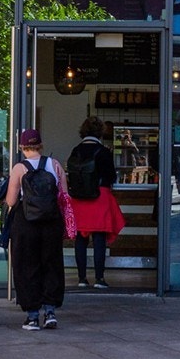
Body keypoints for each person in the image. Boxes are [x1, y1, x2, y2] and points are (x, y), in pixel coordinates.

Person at [4, 128, 66, 330]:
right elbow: (64, 196)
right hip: (51, 222)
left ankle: (32, 316)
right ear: (40, 145)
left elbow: (12, 200)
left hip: (26, 223)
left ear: (22, 147)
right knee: (51, 264)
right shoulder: (55, 165)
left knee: (27, 266)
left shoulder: (19, 169)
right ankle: (50, 312)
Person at [67, 116, 125, 289]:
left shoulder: (75, 150)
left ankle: (82, 279)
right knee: (99, 239)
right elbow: (111, 176)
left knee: (80, 239)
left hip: (78, 199)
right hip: (100, 197)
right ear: (100, 132)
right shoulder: (103, 151)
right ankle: (99, 278)